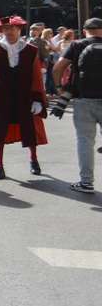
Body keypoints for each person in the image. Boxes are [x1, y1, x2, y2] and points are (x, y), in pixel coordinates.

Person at [0, 16, 48, 180]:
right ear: (2, 31)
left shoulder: (31, 50)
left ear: (19, 30)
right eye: (6, 29)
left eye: (13, 28)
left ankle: (34, 160)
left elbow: (36, 76)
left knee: (30, 128)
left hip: (25, 93)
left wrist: (37, 99)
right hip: (1, 94)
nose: (9, 31)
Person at [53, 17, 102, 193]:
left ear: (84, 31)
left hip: (83, 99)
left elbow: (57, 68)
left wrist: (59, 88)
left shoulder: (76, 45)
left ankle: (86, 182)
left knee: (85, 141)